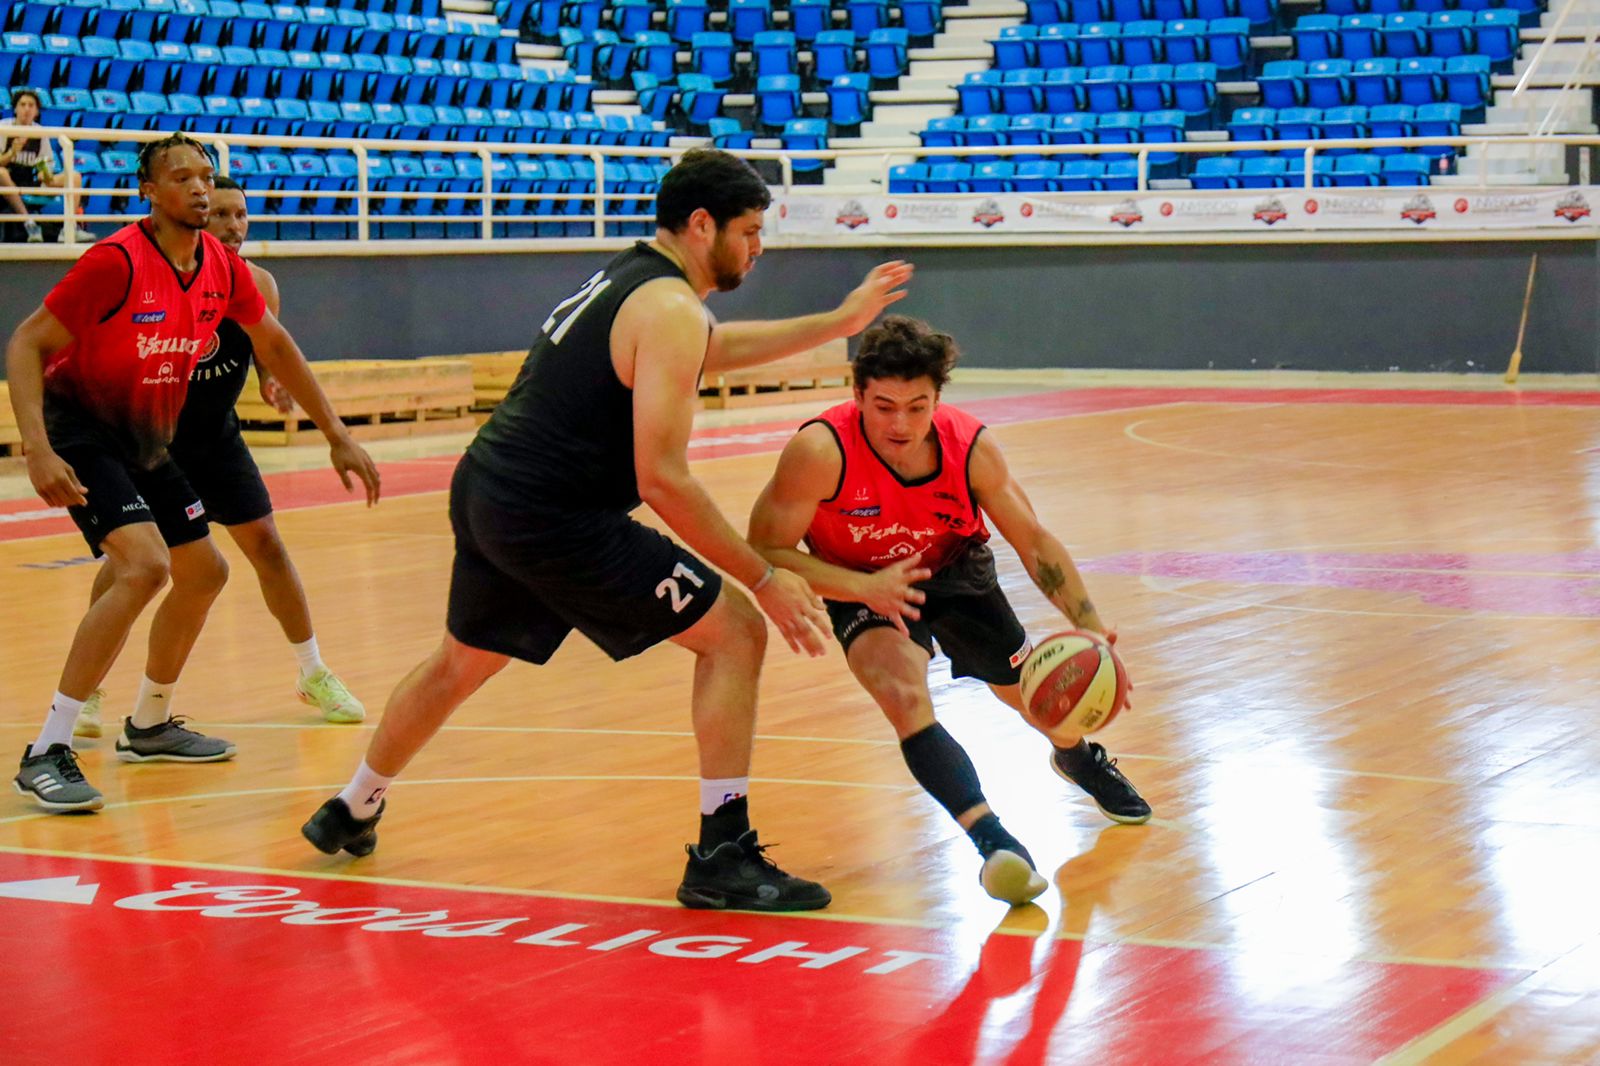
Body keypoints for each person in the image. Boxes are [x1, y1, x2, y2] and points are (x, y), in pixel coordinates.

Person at [300, 148, 912, 913]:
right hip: (555, 515)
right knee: (736, 632)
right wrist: (763, 576)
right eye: (751, 231)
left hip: (490, 487)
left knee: (463, 659)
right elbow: (663, 480)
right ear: (702, 225)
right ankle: (722, 855)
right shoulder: (671, 309)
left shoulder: (637, 279)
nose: (760, 247)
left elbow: (713, 349)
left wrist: (841, 321)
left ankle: (353, 805)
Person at [5, 133, 381, 813]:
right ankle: (47, 749)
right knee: (145, 567)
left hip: (151, 438)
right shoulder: (116, 261)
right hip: (83, 431)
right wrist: (36, 447)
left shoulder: (223, 268)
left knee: (206, 572)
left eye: (205, 175)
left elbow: (276, 346)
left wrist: (338, 434)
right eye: (181, 177)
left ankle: (150, 723)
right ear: (149, 192)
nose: (200, 187)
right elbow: (28, 342)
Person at [746, 315, 1151, 906]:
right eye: (884, 407)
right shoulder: (819, 451)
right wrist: (862, 588)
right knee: (903, 696)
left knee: (1039, 701)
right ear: (857, 395)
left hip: (957, 572)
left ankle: (1077, 757)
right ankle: (996, 845)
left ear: (938, 399)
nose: (900, 424)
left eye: (917, 407)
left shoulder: (971, 448)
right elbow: (764, 547)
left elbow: (1034, 541)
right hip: (863, 583)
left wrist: (1089, 627)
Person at [71, 176, 365, 740]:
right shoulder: (158, 277)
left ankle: (313, 672)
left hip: (216, 438)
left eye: (241, 215)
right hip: (154, 441)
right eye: (221, 214)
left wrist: (273, 384)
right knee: (134, 563)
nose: (232, 225)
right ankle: (90, 689)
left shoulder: (259, 283)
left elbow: (267, 352)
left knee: (268, 546)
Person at [1, 89, 92, 244]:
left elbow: (47, 162)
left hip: (32, 180)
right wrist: (12, 153)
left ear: (36, 112)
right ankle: (29, 223)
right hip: (8, 180)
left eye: (31, 105)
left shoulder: (40, 132)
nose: (27, 109)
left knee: (75, 176)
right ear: (15, 109)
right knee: (1, 172)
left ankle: (69, 228)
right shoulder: (4, 128)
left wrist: (46, 173)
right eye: (22, 104)